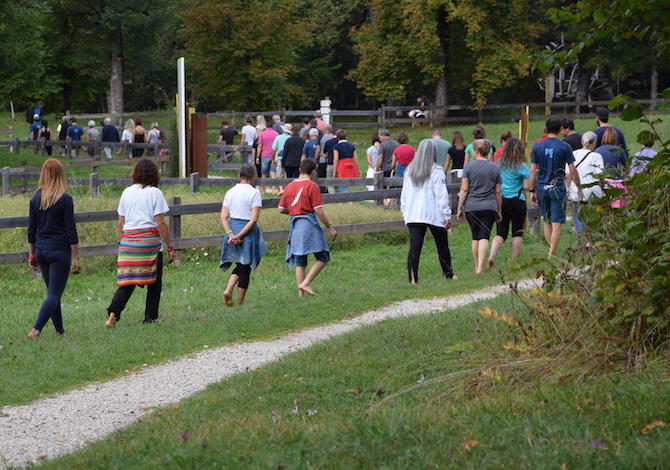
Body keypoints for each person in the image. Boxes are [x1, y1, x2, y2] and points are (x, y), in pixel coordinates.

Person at [104, 158, 175, 328]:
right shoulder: (155, 193)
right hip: (149, 243)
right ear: (154, 174)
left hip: (129, 241)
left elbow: (121, 221)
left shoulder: (126, 192)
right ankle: (150, 317)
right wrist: (170, 245)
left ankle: (113, 315)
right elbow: (161, 222)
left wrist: (123, 241)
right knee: (154, 282)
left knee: (128, 281)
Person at [26, 159, 81, 340]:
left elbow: (31, 231)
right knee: (54, 294)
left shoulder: (35, 198)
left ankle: (60, 331)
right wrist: (76, 257)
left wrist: (32, 253)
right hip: (59, 251)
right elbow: (70, 230)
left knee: (53, 293)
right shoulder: (65, 199)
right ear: (60, 174)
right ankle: (36, 330)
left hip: (42, 250)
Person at [279, 158, 337, 296]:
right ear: (313, 171)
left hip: (295, 225)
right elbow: (318, 210)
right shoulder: (312, 186)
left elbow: (281, 208)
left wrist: (294, 212)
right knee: (323, 256)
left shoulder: (289, 186)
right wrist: (329, 227)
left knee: (300, 259)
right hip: (308, 224)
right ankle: (306, 283)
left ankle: (301, 295)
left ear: (300, 169)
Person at [400, 140, 455, 283]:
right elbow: (441, 195)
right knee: (442, 245)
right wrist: (447, 215)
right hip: (433, 213)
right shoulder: (436, 171)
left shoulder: (410, 170)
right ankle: (448, 273)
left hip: (414, 214)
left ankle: (413, 278)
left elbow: (404, 194)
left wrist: (405, 211)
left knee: (415, 247)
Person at [529, 117, 582, 259]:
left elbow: (533, 170)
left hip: (541, 187)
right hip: (557, 187)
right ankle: (551, 253)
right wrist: (579, 187)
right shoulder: (564, 147)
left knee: (546, 219)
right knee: (556, 222)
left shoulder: (537, 146)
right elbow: (572, 170)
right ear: (560, 129)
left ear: (546, 129)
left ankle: (551, 251)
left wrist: (532, 190)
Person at [219, 164, 268, 306]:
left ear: (240, 176)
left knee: (240, 265)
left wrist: (230, 234)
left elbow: (223, 216)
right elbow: (254, 219)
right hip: (247, 232)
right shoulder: (254, 193)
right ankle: (238, 302)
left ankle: (228, 290)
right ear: (253, 177)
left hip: (232, 229)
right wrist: (240, 235)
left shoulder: (230, 192)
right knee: (245, 267)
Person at [457, 140, 502, 274]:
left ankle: (476, 265)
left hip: (472, 206)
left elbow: (464, 189)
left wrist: (460, 207)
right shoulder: (495, 167)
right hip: (489, 205)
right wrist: (499, 209)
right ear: (488, 151)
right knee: (484, 236)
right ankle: (480, 267)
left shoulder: (468, 167)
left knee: (475, 236)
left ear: (475, 151)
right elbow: (498, 191)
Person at [487, 138, 531, 268]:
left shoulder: (498, 164)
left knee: (501, 233)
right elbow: (527, 186)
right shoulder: (522, 166)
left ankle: (491, 256)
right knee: (517, 232)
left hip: (501, 201)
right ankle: (513, 261)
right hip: (517, 201)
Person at [566, 131, 604, 236]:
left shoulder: (573, 154)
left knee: (578, 218)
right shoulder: (597, 156)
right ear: (594, 142)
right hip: (593, 192)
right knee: (593, 219)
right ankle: (592, 241)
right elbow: (600, 176)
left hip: (576, 191)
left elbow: (568, 175)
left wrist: (568, 190)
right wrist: (603, 188)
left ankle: (582, 242)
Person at [332, 129, 360, 193]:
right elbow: (355, 158)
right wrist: (358, 169)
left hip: (341, 166)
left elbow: (336, 159)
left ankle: (346, 199)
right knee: (346, 184)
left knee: (343, 184)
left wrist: (334, 171)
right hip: (350, 165)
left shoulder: (336, 146)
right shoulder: (351, 146)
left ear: (337, 137)